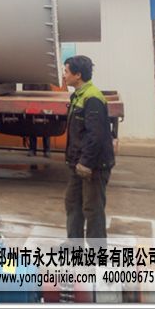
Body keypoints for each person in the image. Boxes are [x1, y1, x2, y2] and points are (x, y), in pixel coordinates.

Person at [63, 55, 115, 243]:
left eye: (66, 71)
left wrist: (86, 163)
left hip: (93, 166)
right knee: (73, 203)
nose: (64, 75)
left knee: (92, 208)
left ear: (78, 75)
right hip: (77, 163)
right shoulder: (77, 96)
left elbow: (96, 135)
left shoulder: (92, 98)